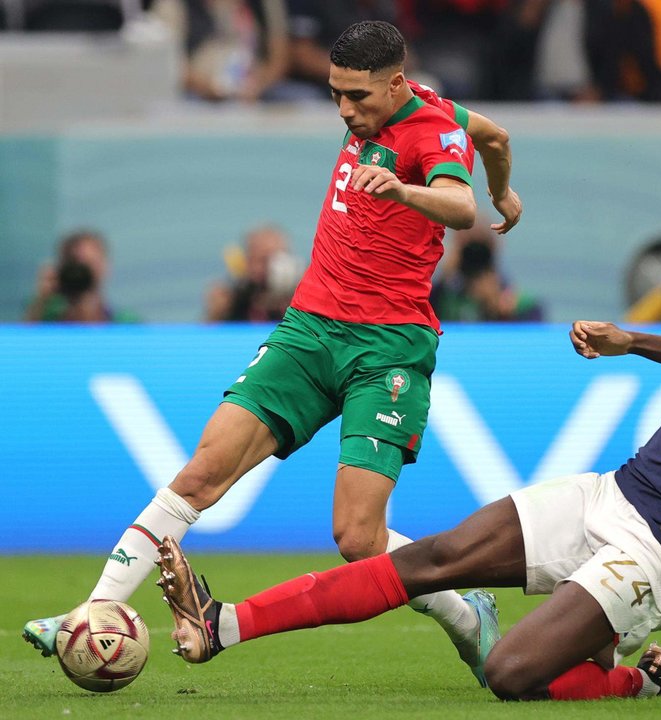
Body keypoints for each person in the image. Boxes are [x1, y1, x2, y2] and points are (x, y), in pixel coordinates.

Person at [154, 221, 661, 701]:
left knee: (510, 674)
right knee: (436, 556)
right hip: (611, 492)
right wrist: (632, 340)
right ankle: (222, 626)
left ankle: (627, 679)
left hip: (654, 555)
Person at [24, 20, 522, 689]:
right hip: (308, 331)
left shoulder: (430, 132)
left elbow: (458, 207)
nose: (346, 111)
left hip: (388, 350)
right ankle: (94, 607)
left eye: (358, 97)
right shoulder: (411, 106)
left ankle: (468, 616)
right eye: (336, 94)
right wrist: (507, 189)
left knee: (357, 538)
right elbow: (497, 136)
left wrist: (416, 192)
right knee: (202, 472)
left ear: (396, 84)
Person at [149, 0, 291, 103]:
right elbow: (168, 63)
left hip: (256, 88)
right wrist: (208, 88)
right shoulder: (173, 5)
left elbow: (279, 58)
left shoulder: (265, 5)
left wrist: (258, 85)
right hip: (197, 91)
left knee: (297, 98)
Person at [24, 229, 139, 323]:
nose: (81, 272)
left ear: (105, 267)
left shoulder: (125, 323)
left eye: (89, 263)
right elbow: (24, 344)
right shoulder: (45, 318)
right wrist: (41, 300)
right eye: (75, 263)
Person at [205, 224, 301, 322]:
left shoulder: (302, 299)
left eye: (280, 259)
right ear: (247, 262)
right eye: (264, 260)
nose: (274, 268)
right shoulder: (233, 301)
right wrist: (216, 314)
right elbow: (208, 333)